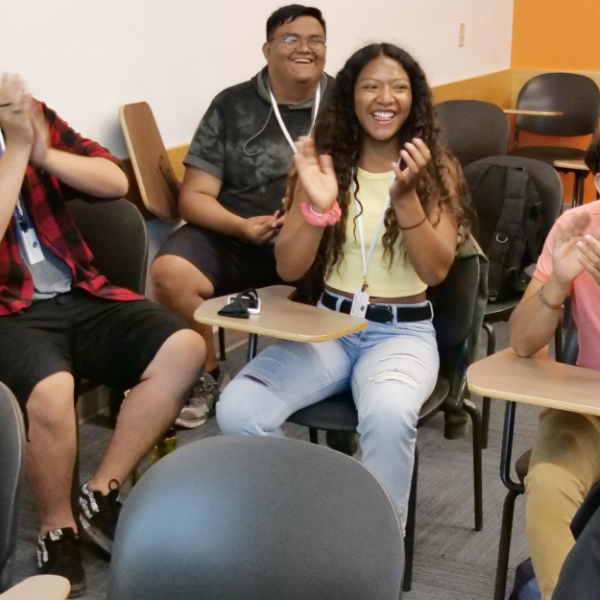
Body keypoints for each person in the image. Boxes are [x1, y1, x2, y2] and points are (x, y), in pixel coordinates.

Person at [216, 42, 472, 526]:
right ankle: (319, 514)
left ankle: (373, 550)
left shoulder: (435, 170)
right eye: (370, 85)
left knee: (390, 415)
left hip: (402, 333)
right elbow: (290, 269)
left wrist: (406, 197)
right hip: (327, 327)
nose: (385, 97)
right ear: (350, 97)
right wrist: (316, 207)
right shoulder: (324, 167)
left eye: (398, 87)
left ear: (413, 100)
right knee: (238, 407)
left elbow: (437, 271)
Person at [0, 74, 205, 597]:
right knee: (52, 390)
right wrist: (18, 151)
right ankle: (56, 528)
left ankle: (101, 490)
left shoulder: (25, 112)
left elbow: (113, 181)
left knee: (186, 347)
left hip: (79, 291)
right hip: (9, 312)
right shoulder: (15, 133)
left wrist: (41, 150)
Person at [151, 4, 332, 428]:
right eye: (291, 39)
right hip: (238, 236)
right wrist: (240, 227)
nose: (305, 48)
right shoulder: (231, 105)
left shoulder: (345, 105)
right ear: (267, 49)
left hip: (317, 242)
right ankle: (207, 374)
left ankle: (330, 377)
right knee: (170, 273)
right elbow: (193, 197)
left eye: (316, 40)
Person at [510, 131, 600, 600]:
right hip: (588, 408)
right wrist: (559, 282)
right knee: (546, 484)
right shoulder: (578, 228)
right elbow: (523, 342)